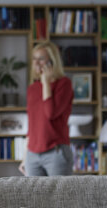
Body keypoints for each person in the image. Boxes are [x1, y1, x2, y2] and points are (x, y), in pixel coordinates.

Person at [19, 41, 74, 176]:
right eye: (34, 58)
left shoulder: (64, 84)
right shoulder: (32, 89)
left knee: (60, 197)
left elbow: (50, 113)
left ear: (52, 62)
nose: (36, 63)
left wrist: (46, 83)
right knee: (34, 197)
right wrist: (25, 157)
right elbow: (32, 126)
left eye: (41, 59)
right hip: (32, 155)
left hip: (56, 153)